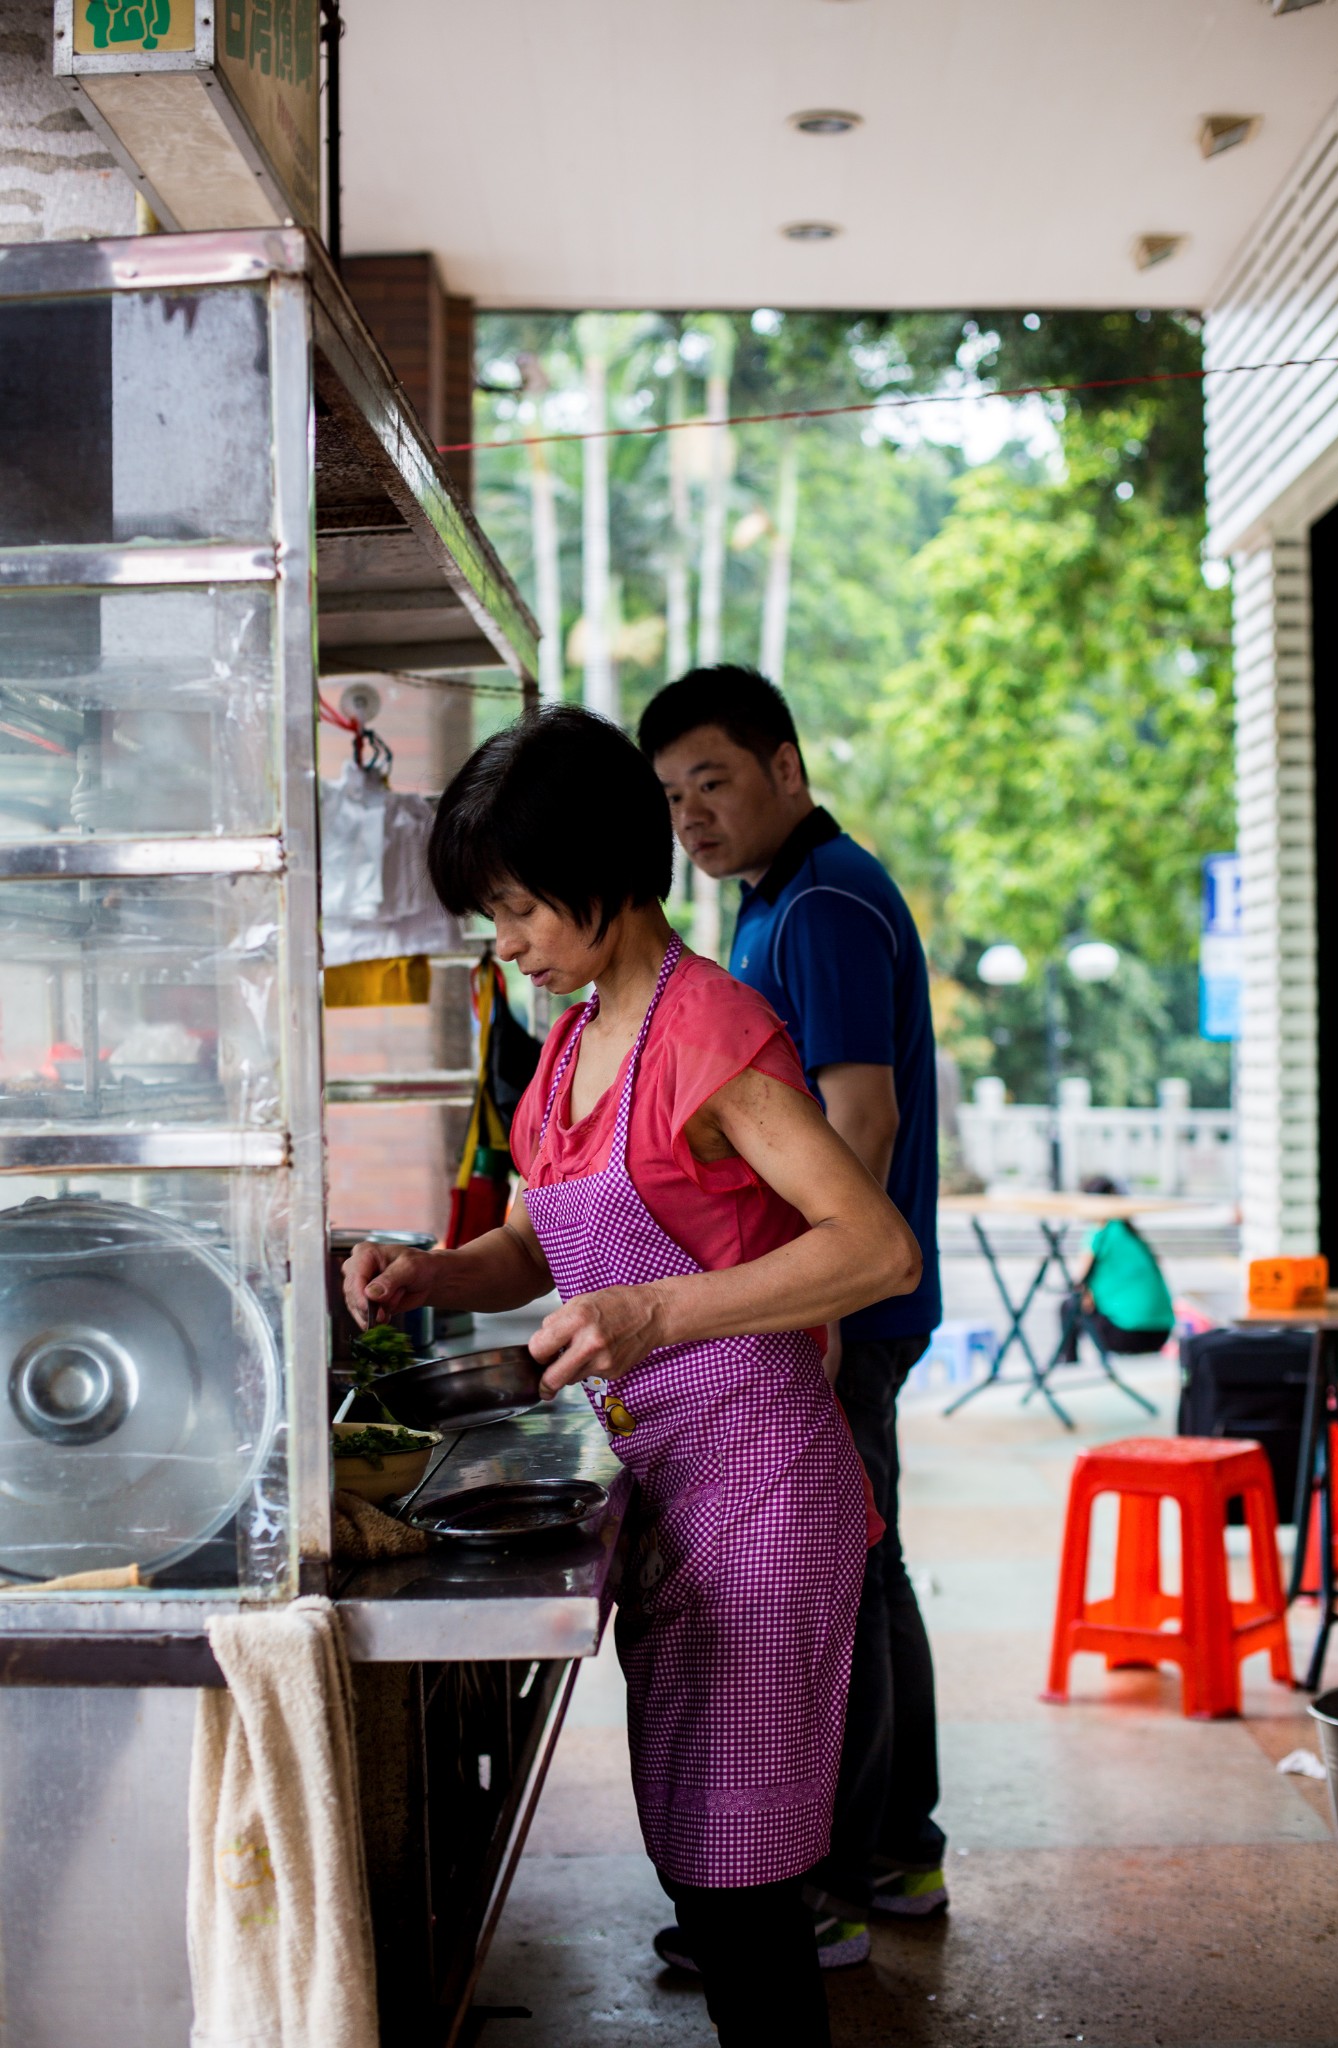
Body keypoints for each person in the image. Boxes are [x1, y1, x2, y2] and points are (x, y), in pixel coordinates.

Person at [341, 705, 921, 2048]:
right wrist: (430, 1276)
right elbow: (539, 1243)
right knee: (701, 1868)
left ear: (601, 875)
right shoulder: (568, 1047)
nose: (508, 944)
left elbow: (874, 1248)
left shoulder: (711, 1028)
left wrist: (660, 1310)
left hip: (765, 1495)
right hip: (668, 1492)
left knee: (742, 1894)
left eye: (518, 910)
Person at [639, 664, 947, 1968]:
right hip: (843, 1307)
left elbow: (859, 1124)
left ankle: (826, 1877)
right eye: (670, 795)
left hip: (850, 1314)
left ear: (787, 768)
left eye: (714, 779)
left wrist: (814, 1316)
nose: (692, 817)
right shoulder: (773, 906)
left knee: (838, 1581)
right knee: (861, 1572)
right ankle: (886, 1854)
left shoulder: (819, 903)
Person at [1058, 1175, 1175, 1363]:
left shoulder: (1100, 1234)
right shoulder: (1131, 1234)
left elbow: (1078, 1284)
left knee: (1069, 1306)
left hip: (1127, 1334)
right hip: (1161, 1333)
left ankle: (1069, 1364)